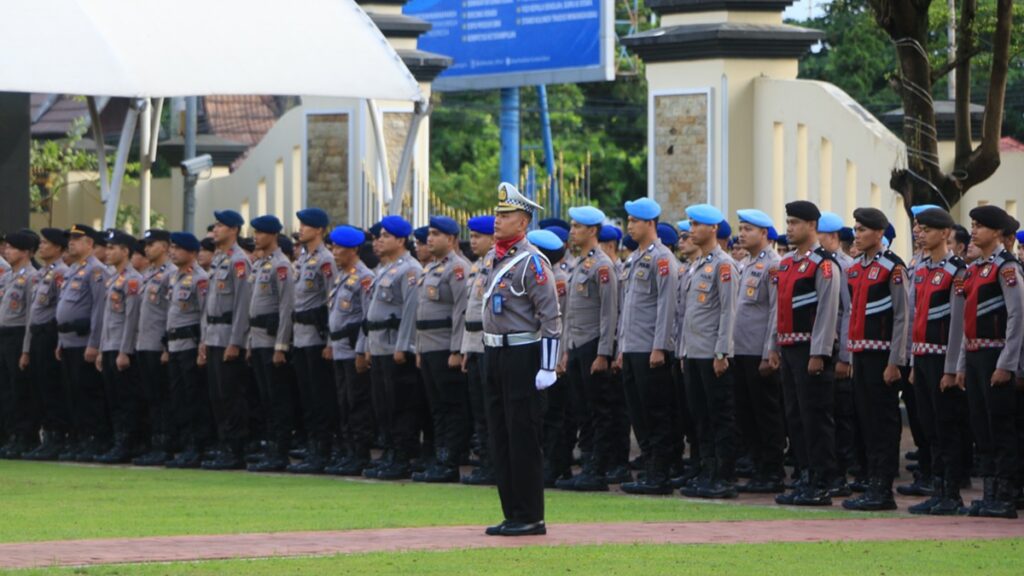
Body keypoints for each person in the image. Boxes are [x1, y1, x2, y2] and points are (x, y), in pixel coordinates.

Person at [481, 182, 560, 537]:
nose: (498, 220)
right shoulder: (494, 258)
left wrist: (547, 365)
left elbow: (551, 318)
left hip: (523, 354)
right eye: (497, 214)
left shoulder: (533, 262)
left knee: (523, 436)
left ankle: (531, 515)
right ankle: (512, 512)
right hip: (495, 351)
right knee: (500, 435)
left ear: (524, 222)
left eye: (506, 215)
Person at [770, 201, 841, 506]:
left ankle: (822, 481)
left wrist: (820, 352)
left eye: (795, 222)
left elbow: (828, 310)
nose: (789, 228)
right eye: (788, 222)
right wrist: (774, 346)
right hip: (788, 348)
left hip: (810, 348)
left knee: (815, 417)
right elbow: (780, 308)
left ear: (813, 226)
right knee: (794, 416)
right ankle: (804, 475)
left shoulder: (823, 264)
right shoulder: (786, 263)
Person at [955, 205, 1022, 519]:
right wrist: (962, 365)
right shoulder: (975, 268)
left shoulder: (1006, 268)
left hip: (996, 355)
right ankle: (990, 491)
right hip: (976, 355)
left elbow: (1017, 316)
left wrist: (1007, 363)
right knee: (982, 427)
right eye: (973, 225)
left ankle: (1007, 495)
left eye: (980, 226)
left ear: (997, 232)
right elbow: (966, 321)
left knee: (1001, 426)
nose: (974, 231)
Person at [841, 208, 909, 511]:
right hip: (861, 353)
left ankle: (883, 488)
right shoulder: (854, 268)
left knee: (883, 421)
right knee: (865, 420)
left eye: (863, 229)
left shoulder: (892, 267)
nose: (857, 234)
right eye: (855, 228)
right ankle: (871, 481)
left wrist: (895, 360)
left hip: (882, 354)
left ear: (879, 233)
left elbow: (902, 316)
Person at [903, 208, 969, 515]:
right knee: (929, 426)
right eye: (919, 229)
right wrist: (915, 363)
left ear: (945, 233)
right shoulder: (920, 269)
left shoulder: (957, 269)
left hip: (943, 357)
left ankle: (951, 492)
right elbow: (916, 316)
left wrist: (952, 367)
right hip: (923, 356)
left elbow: (958, 323)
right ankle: (937, 487)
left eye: (928, 229)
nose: (920, 233)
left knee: (947, 427)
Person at [615, 197, 678, 496]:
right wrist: (621, 347)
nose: (630, 226)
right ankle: (650, 467)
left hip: (650, 348)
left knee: (656, 413)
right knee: (637, 412)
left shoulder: (662, 259)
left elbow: (667, 307)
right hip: (632, 346)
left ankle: (660, 472)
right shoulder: (634, 258)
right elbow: (628, 308)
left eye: (634, 221)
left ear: (650, 223)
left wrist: (660, 346)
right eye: (629, 221)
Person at [555, 206, 619, 492]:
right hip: (578, 344)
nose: (572, 232)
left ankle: (598, 469)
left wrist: (604, 353)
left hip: (594, 344)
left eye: (577, 227)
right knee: (582, 410)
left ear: (592, 231)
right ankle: (589, 463)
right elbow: (570, 313)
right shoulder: (580, 264)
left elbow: (609, 313)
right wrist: (567, 349)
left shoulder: (603, 266)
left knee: (598, 410)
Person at [678, 204, 740, 499]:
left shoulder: (723, 265)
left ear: (713, 228)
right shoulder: (697, 264)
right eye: (690, 223)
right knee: (699, 416)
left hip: (712, 354)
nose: (691, 229)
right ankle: (706, 470)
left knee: (719, 416)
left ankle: (723, 476)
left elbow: (728, 312)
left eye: (696, 224)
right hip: (694, 352)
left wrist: (722, 352)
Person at [363, 215, 422, 480]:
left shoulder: (410, 270)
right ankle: (388, 452)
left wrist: (403, 346)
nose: (380, 240)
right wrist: (366, 346)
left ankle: (402, 456)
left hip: (394, 347)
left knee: (400, 405)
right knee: (382, 405)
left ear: (400, 240)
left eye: (386, 236)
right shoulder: (385, 269)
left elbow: (410, 311)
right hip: (378, 346)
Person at [731, 209, 786, 494]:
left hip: (759, 351)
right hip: (740, 349)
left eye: (748, 229)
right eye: (740, 228)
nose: (742, 234)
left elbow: (776, 311)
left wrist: (770, 350)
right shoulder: (745, 264)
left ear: (764, 233)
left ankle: (772, 470)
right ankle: (757, 465)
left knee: (766, 413)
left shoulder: (773, 265)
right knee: (746, 413)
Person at [413, 216, 470, 483]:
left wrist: (457, 349)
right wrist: (419, 349)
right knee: (436, 408)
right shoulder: (431, 268)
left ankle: (450, 463)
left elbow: (460, 310)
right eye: (429, 234)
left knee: (451, 407)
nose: (430, 239)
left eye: (436, 234)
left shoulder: (457, 268)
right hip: (429, 346)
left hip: (446, 346)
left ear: (451, 239)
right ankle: (440, 457)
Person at [200, 210, 253, 470]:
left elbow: (243, 305)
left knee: (231, 395)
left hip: (228, 336)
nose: (215, 230)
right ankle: (224, 445)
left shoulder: (239, 261)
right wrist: (203, 340)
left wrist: (236, 341)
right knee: (217, 396)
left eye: (220, 225)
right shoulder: (220, 260)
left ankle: (235, 449)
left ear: (233, 230)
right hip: (213, 336)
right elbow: (209, 305)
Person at [288, 208, 338, 474]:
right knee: (306, 397)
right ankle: (312, 446)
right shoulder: (303, 259)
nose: (301, 229)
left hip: (317, 337)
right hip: (300, 336)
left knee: (320, 397)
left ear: (318, 230)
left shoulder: (325, 261)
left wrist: (330, 340)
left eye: (306, 225)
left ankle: (323, 449)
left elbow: (331, 302)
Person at [55, 224, 110, 462]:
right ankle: (80, 438)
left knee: (88, 393)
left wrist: (94, 343)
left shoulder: (96, 271)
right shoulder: (72, 270)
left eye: (77, 239)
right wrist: (59, 340)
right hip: (67, 341)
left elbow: (99, 309)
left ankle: (94, 439)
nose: (71, 242)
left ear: (90, 243)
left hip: (83, 341)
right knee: (72, 394)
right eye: (70, 239)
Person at [323, 225, 375, 476]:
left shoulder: (364, 277)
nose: (334, 252)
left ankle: (360, 453)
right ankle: (348, 451)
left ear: (353, 249)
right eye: (333, 247)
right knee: (343, 403)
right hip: (340, 347)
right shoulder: (342, 275)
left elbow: (366, 319)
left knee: (357, 403)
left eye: (339, 248)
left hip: (353, 348)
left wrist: (362, 352)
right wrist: (330, 345)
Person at [245, 215, 295, 472]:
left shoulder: (281, 265)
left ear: (273, 235)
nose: (256, 236)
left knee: (278, 399)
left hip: (272, 339)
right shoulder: (259, 265)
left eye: (261, 232)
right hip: (258, 338)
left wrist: (281, 345)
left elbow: (287, 307)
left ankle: (280, 451)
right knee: (265, 398)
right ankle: (270, 447)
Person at [93, 231, 146, 464]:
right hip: (110, 346)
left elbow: (131, 319)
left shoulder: (133, 280)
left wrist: (124, 351)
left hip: (122, 348)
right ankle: (118, 441)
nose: (108, 252)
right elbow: (107, 319)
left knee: (126, 400)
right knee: (112, 399)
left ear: (125, 251)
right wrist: (102, 349)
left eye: (113, 248)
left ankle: (129, 444)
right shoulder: (113, 279)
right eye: (107, 247)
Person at [19, 228, 70, 460]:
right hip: (37, 334)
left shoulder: (62, 273)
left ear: (59, 248)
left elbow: (60, 309)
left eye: (46, 243)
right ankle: (47, 436)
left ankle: (57, 437)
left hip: (51, 333)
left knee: (51, 388)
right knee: (39, 388)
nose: (41, 247)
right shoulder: (43, 274)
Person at [818, 212, 860, 494]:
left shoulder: (843, 265)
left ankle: (842, 472)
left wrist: (845, 355)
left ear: (832, 236)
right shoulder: (821, 263)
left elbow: (847, 312)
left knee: (841, 414)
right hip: (824, 346)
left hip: (836, 349)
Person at [164, 232, 213, 469]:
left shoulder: (200, 278)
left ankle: (198, 446)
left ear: (192, 253)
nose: (172, 252)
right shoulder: (174, 277)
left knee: (194, 398)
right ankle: (185, 445)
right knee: (178, 398)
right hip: (174, 345)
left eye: (178, 248)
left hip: (190, 345)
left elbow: (204, 314)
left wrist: (202, 346)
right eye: (171, 247)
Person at [131, 229, 178, 466]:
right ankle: (154, 443)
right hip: (143, 344)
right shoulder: (148, 274)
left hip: (158, 344)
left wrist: (167, 347)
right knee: (150, 398)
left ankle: (165, 444)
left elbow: (171, 312)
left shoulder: (171, 274)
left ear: (165, 246)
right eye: (145, 245)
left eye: (151, 244)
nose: (147, 249)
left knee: (162, 398)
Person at [460, 215, 497, 486]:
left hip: (488, 344)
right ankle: (485, 461)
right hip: (473, 344)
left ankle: (493, 464)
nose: (473, 241)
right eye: (471, 236)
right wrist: (464, 348)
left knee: (490, 408)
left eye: (478, 236)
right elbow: (468, 312)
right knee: (478, 410)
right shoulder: (476, 267)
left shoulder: (497, 263)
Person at [0, 231, 39, 458]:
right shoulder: (8, 277)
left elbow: (29, 318)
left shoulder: (32, 277)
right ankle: (10, 434)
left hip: (17, 336)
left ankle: (25, 436)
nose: (7, 251)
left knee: (20, 390)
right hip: (4, 335)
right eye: (6, 247)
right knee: (5, 390)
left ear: (25, 252)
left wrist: (26, 349)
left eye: (12, 248)